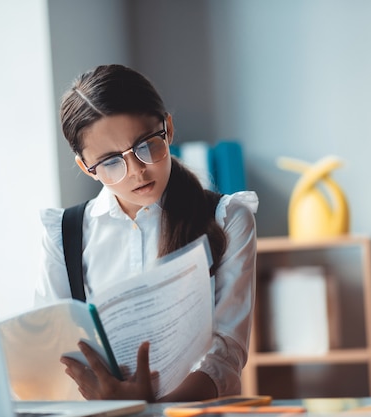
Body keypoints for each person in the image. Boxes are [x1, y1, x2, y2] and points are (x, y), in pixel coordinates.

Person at [34, 64, 258, 403]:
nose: (137, 170)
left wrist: (148, 410)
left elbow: (225, 356)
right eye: (111, 161)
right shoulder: (63, 236)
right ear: (86, 167)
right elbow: (53, 356)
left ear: (167, 128)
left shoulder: (227, 219)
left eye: (146, 144)